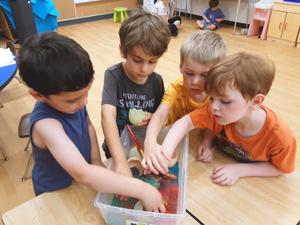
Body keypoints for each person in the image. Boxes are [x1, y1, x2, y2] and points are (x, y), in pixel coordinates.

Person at [18, 32, 166, 212]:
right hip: (55, 193)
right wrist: (143, 190)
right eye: (73, 100)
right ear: (38, 95)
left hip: (84, 184)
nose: (83, 103)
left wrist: (96, 160)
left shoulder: (73, 103)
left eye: (86, 94)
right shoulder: (45, 125)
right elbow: (82, 173)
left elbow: (87, 126)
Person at [146, 52, 296, 186]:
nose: (213, 107)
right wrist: (164, 155)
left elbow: (280, 168)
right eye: (211, 98)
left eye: (225, 101)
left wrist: (240, 170)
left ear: (256, 102)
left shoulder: (280, 137)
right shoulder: (218, 112)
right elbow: (185, 122)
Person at [142, 30, 226, 175]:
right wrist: (149, 143)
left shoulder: (218, 96)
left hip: (194, 141)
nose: (195, 82)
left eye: (205, 75)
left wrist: (207, 143)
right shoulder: (176, 88)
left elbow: (214, 122)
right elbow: (160, 114)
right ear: (181, 67)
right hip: (173, 137)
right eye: (189, 73)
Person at [101, 9, 171, 180]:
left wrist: (154, 118)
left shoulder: (156, 81)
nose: (145, 69)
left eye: (152, 61)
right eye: (137, 60)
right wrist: (119, 162)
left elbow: (159, 117)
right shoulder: (113, 75)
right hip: (117, 149)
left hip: (143, 148)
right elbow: (107, 116)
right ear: (123, 51)